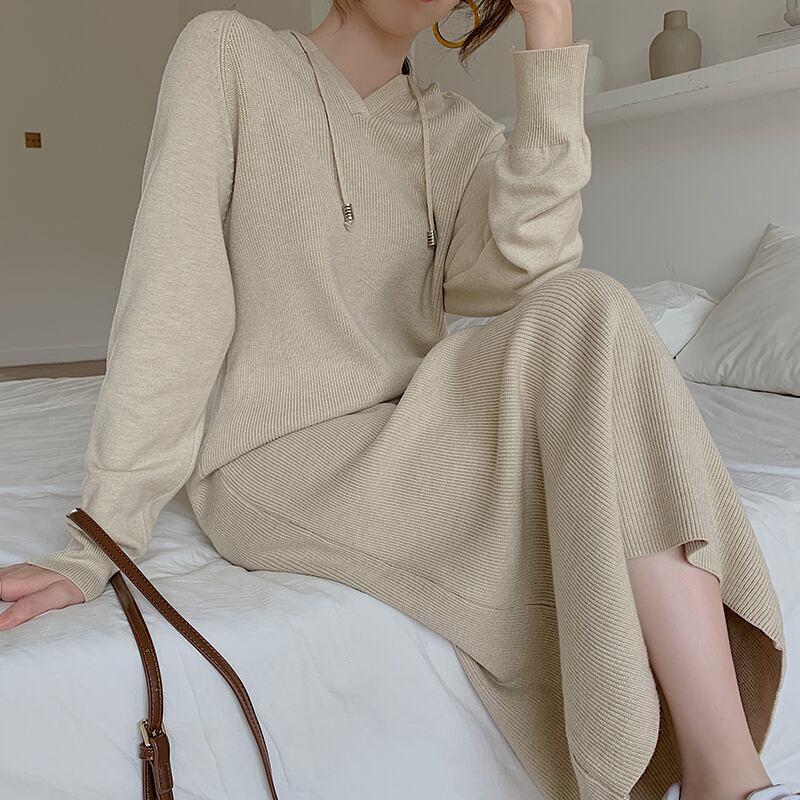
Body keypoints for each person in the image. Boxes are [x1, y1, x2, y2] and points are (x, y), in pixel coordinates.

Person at [0, 2, 793, 800]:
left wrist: (550, 32)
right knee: (584, 477)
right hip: (275, 458)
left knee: (596, 304)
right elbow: (176, 296)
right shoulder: (228, 54)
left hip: (409, 433)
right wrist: (103, 537)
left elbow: (532, 275)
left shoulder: (455, 133)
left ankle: (727, 775)